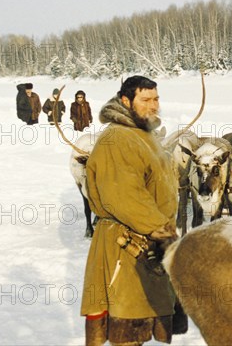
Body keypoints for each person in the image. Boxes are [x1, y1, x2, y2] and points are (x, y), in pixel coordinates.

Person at [81, 76, 187, 345]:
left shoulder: (142, 135)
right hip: (125, 244)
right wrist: (164, 232)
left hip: (149, 240)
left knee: (141, 316)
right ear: (126, 101)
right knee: (126, 326)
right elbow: (125, 197)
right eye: (146, 100)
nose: (153, 106)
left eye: (156, 99)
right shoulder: (117, 139)